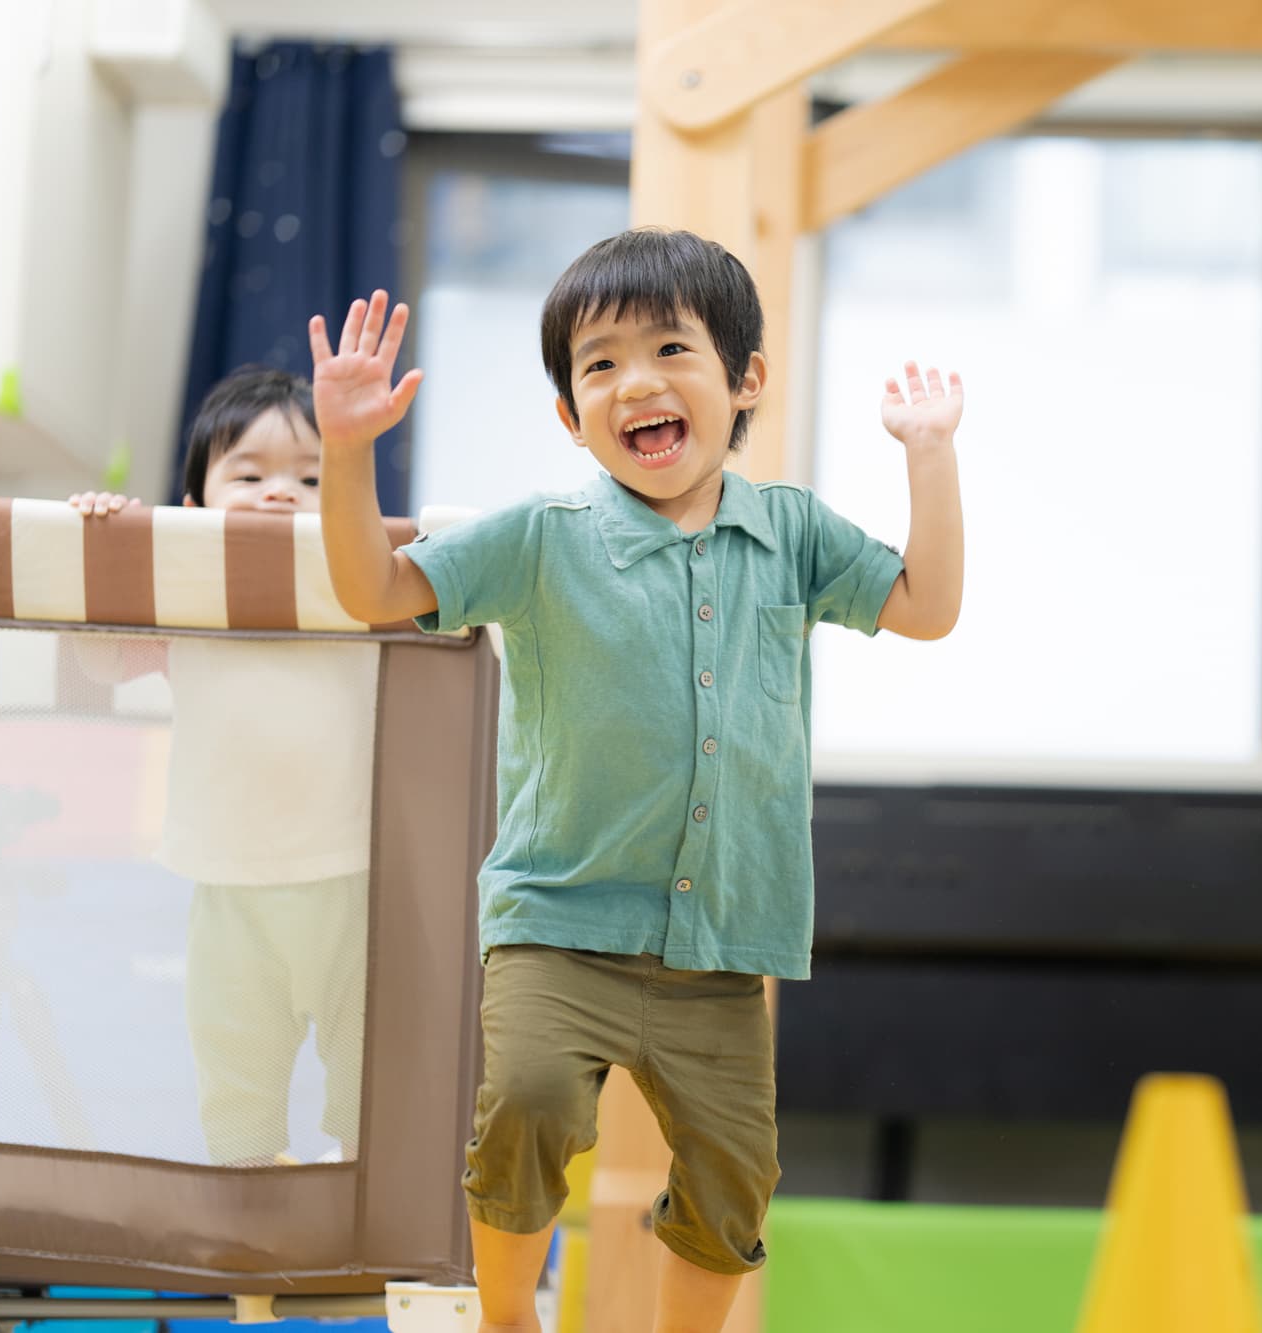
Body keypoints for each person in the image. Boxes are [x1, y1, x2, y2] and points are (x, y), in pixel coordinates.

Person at [309, 227, 964, 1333]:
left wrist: (928, 456)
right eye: (600, 365)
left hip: (721, 941)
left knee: (734, 1173)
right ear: (570, 416)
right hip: (558, 919)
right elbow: (372, 589)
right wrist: (345, 448)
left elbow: (926, 607)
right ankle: (509, 1314)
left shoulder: (790, 532)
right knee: (525, 1104)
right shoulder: (541, 536)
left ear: (743, 379)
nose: (638, 383)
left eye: (671, 348)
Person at [70, 367, 373, 1167]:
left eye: (312, 478)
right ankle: (250, 1215)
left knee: (372, 1084)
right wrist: (109, 548)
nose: (281, 493)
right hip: (229, 887)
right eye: (250, 474)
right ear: (195, 510)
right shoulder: (191, 597)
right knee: (236, 1078)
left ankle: (360, 1212)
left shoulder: (361, 588)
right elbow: (99, 663)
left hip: (356, 888)